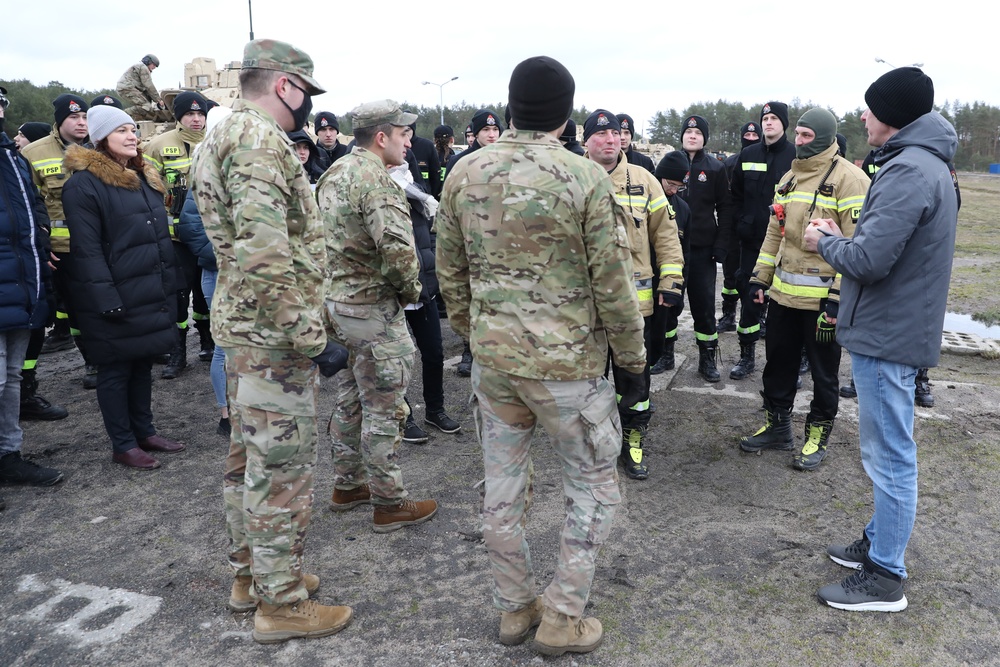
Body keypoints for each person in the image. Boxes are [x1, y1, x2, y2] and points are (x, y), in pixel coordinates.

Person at [437, 55, 648, 657]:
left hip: (496, 365)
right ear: (565, 114)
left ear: (510, 106)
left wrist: (476, 334)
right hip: (568, 370)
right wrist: (633, 363)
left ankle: (514, 606)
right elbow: (613, 283)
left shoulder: (464, 172)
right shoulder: (583, 177)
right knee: (594, 487)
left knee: (501, 491)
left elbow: (450, 273)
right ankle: (560, 613)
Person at [190, 38, 352, 643]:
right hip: (274, 336)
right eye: (306, 94)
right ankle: (279, 605)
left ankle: (251, 574)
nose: (306, 106)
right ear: (285, 85)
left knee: (246, 460)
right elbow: (264, 254)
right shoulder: (258, 140)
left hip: (246, 328)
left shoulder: (222, 134)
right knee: (279, 470)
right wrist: (312, 339)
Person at [807, 67, 958, 611]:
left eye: (870, 109)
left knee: (890, 454)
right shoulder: (921, 164)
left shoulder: (909, 171)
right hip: (893, 327)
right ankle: (879, 538)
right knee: (888, 449)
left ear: (891, 116)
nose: (863, 117)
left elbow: (868, 260)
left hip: (887, 335)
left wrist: (825, 240)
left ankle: (885, 575)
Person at [317, 99, 437, 533]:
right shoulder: (378, 182)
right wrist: (413, 293)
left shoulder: (335, 174)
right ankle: (389, 502)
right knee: (386, 407)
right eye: (404, 134)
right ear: (381, 137)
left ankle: (348, 485)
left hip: (337, 306)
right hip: (372, 312)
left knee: (351, 399)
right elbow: (398, 252)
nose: (410, 141)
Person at [738, 108, 869, 471]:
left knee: (825, 373)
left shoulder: (850, 180)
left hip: (824, 303)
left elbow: (859, 245)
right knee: (777, 365)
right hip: (783, 296)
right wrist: (760, 277)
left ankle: (817, 435)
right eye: (798, 134)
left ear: (826, 137)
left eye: (808, 136)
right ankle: (778, 427)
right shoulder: (790, 178)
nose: (799, 140)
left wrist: (839, 297)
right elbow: (774, 233)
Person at [61, 104, 185, 470]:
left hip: (146, 288)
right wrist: (106, 299)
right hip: (112, 292)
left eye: (133, 129)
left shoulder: (142, 175)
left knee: (142, 361)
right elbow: (86, 250)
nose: (133, 136)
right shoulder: (83, 185)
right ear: (101, 138)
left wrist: (168, 282)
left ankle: (144, 431)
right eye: (122, 131)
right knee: (115, 369)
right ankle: (123, 443)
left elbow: (156, 237)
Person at [583, 109, 684, 480]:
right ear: (586, 142)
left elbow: (667, 238)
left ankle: (633, 438)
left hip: (633, 306)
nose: (610, 139)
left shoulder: (644, 180)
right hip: (584, 309)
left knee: (634, 378)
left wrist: (671, 283)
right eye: (601, 134)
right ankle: (594, 443)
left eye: (615, 134)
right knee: (588, 381)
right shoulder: (569, 179)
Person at [0, 99, 64, 508]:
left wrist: (42, 242)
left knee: (9, 379)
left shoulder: (12, 155)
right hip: (10, 279)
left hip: (22, 281)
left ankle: (8, 456)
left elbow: (35, 208)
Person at [20, 94, 97, 387]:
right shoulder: (34, 153)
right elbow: (29, 204)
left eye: (85, 117)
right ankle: (88, 363)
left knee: (94, 307)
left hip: (98, 245)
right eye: (74, 118)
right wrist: (42, 244)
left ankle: (100, 360)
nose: (81, 123)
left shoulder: (99, 146)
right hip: (58, 250)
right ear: (60, 121)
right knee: (70, 309)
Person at [386, 153, 461, 444]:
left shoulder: (416, 191)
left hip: (422, 285)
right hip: (393, 291)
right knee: (399, 358)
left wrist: (432, 272)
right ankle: (405, 417)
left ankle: (435, 409)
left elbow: (428, 237)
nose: (401, 155)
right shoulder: (377, 191)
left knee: (434, 352)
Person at [144, 91, 213, 379]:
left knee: (205, 293)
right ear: (179, 117)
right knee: (176, 294)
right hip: (174, 237)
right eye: (189, 114)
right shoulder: (159, 146)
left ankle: (208, 343)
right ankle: (177, 352)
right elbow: (149, 193)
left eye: (200, 114)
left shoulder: (217, 140)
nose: (196, 119)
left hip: (209, 235)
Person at [726, 102, 795, 379]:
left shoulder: (795, 155)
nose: (768, 123)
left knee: (786, 304)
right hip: (752, 241)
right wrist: (741, 223)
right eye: (765, 118)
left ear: (784, 124)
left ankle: (788, 361)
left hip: (787, 242)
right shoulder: (748, 154)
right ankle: (746, 356)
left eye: (774, 119)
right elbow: (736, 195)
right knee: (750, 299)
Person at [445, 108, 504, 377]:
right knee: (468, 293)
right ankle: (469, 349)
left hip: (499, 237)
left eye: (495, 130)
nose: (491, 135)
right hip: (471, 237)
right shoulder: (460, 163)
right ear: (475, 134)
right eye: (485, 131)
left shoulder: (506, 160)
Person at [678, 115, 733, 382]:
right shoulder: (670, 165)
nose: (692, 136)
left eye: (698, 133)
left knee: (703, 307)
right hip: (673, 250)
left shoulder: (714, 167)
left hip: (702, 250)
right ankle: (665, 354)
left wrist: (721, 244)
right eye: (688, 131)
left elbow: (725, 208)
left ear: (704, 139)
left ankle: (707, 358)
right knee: (669, 304)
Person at [649, 151, 692, 374]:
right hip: (644, 277)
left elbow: (685, 252)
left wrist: (679, 287)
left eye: (679, 187)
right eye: (671, 184)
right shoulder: (643, 201)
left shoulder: (683, 209)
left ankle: (666, 356)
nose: (673, 191)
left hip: (668, 277)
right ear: (659, 176)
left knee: (668, 319)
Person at [718, 120, 761, 336]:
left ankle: (758, 317)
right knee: (730, 275)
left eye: (755, 136)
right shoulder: (730, 163)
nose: (751, 139)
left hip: (757, 228)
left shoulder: (767, 160)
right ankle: (728, 315)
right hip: (734, 228)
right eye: (748, 136)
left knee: (757, 275)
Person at [116, 55, 170, 122]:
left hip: (126, 88)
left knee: (143, 106)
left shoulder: (140, 67)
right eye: (153, 65)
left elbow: (145, 88)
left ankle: (132, 120)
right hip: (128, 88)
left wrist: (154, 99)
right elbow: (148, 85)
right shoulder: (143, 68)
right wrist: (158, 100)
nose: (154, 67)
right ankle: (120, 116)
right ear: (148, 61)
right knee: (146, 106)